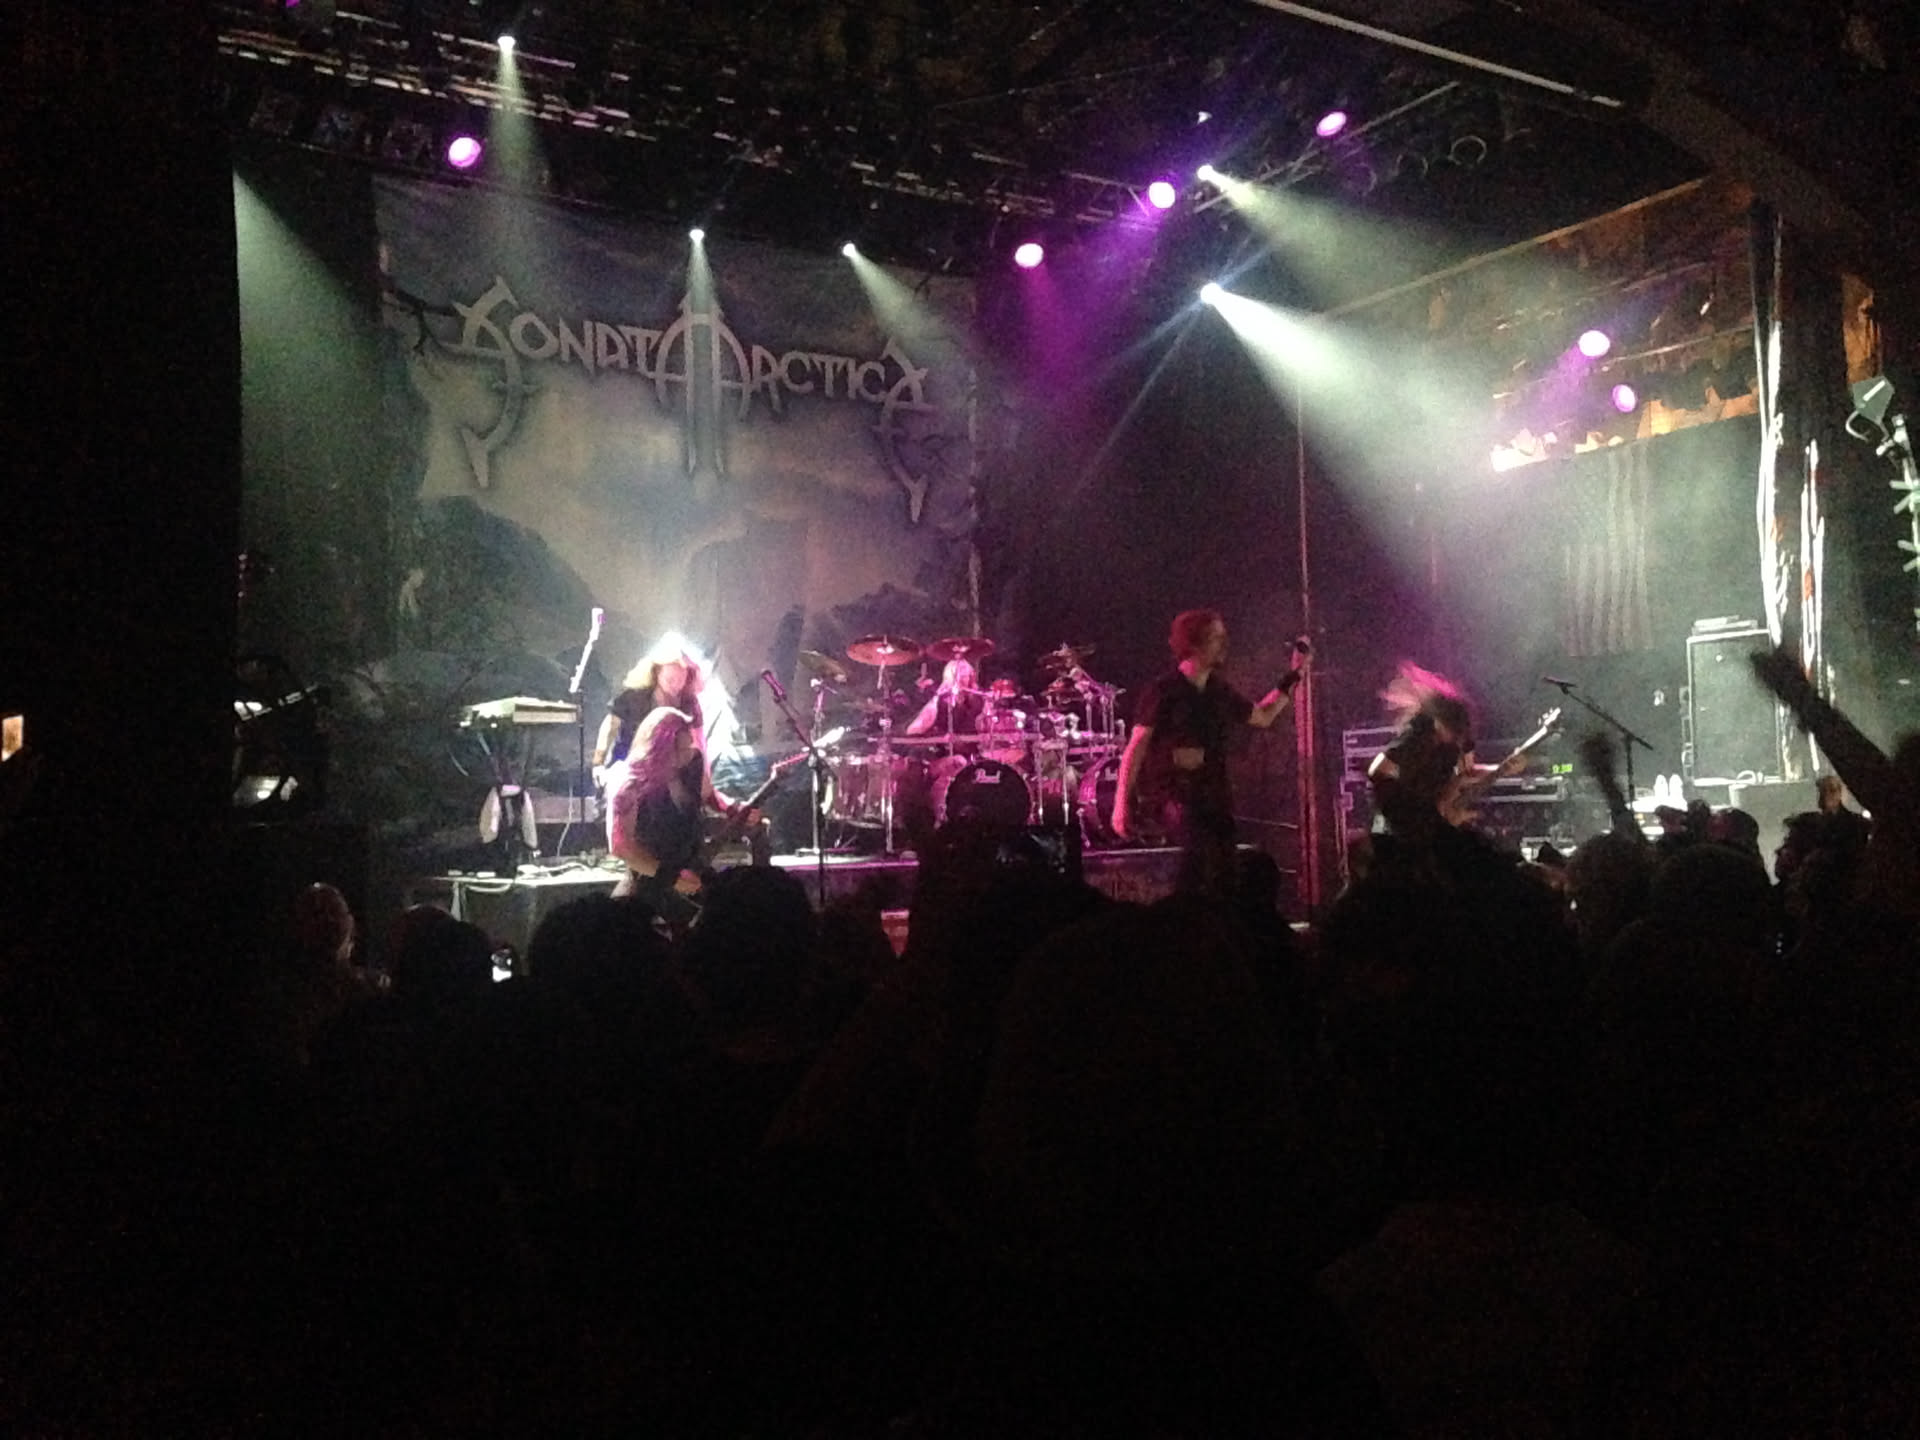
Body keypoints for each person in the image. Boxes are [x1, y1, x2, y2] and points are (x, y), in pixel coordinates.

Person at [1111, 610, 1306, 896]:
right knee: (1195, 870)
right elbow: (1136, 747)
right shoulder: (1163, 691)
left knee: (1224, 874)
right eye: (1216, 637)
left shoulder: (1218, 690)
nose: (1224, 644)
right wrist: (1121, 805)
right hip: (1175, 800)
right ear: (1195, 643)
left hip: (1215, 798)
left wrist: (1294, 675)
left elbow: (1263, 716)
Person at [604, 705, 755, 927]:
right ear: (659, 749)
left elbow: (708, 794)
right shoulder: (630, 782)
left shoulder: (691, 763)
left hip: (693, 869)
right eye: (680, 750)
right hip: (651, 880)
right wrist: (671, 877)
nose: (688, 754)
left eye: (689, 746)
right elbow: (620, 846)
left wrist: (733, 807)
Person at [1366, 662, 1529, 847]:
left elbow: (1467, 772)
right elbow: (1378, 770)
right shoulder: (1418, 737)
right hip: (1405, 829)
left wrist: (1503, 768)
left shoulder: (1457, 740)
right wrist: (1411, 815)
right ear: (1439, 722)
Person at [592, 646, 704, 790]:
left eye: (681, 679)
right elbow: (610, 726)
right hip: (629, 773)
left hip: (670, 778)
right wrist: (598, 763)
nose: (676, 685)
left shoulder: (689, 703)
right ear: (657, 673)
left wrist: (703, 780)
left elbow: (699, 740)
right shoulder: (633, 698)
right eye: (670, 680)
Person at [905, 656, 984, 738]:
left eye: (964, 676)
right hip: (942, 742)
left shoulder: (977, 701)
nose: (960, 680)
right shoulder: (940, 701)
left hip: (971, 742)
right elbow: (915, 729)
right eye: (956, 676)